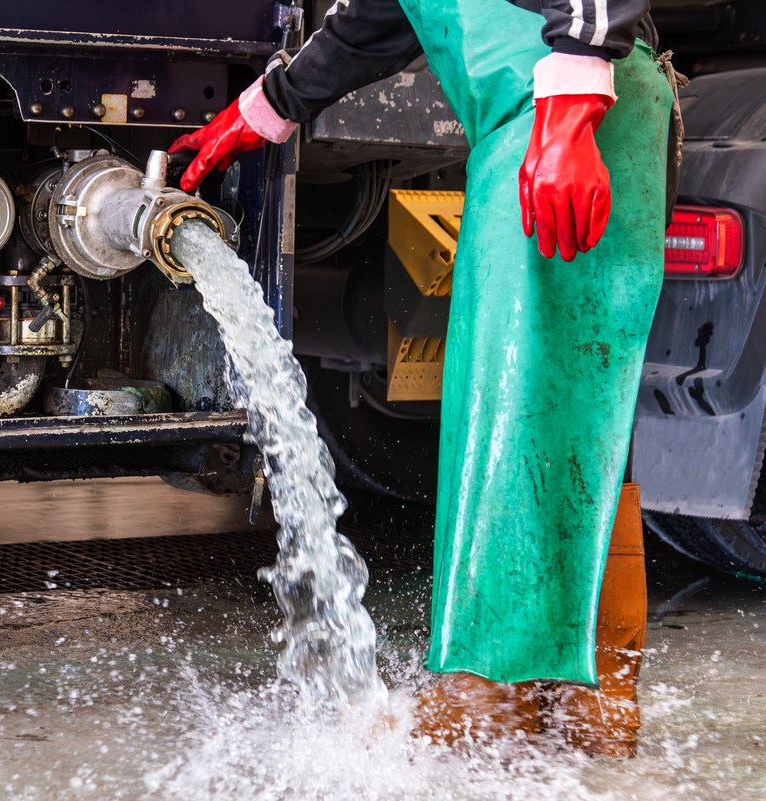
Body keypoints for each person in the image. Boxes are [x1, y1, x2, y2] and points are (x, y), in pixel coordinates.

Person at [171, 0, 671, 756]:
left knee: (530, 398)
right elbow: (379, 17)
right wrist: (265, 109)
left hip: (576, 115)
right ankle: (580, 701)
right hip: (536, 119)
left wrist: (573, 103)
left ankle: (493, 691)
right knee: (555, 403)